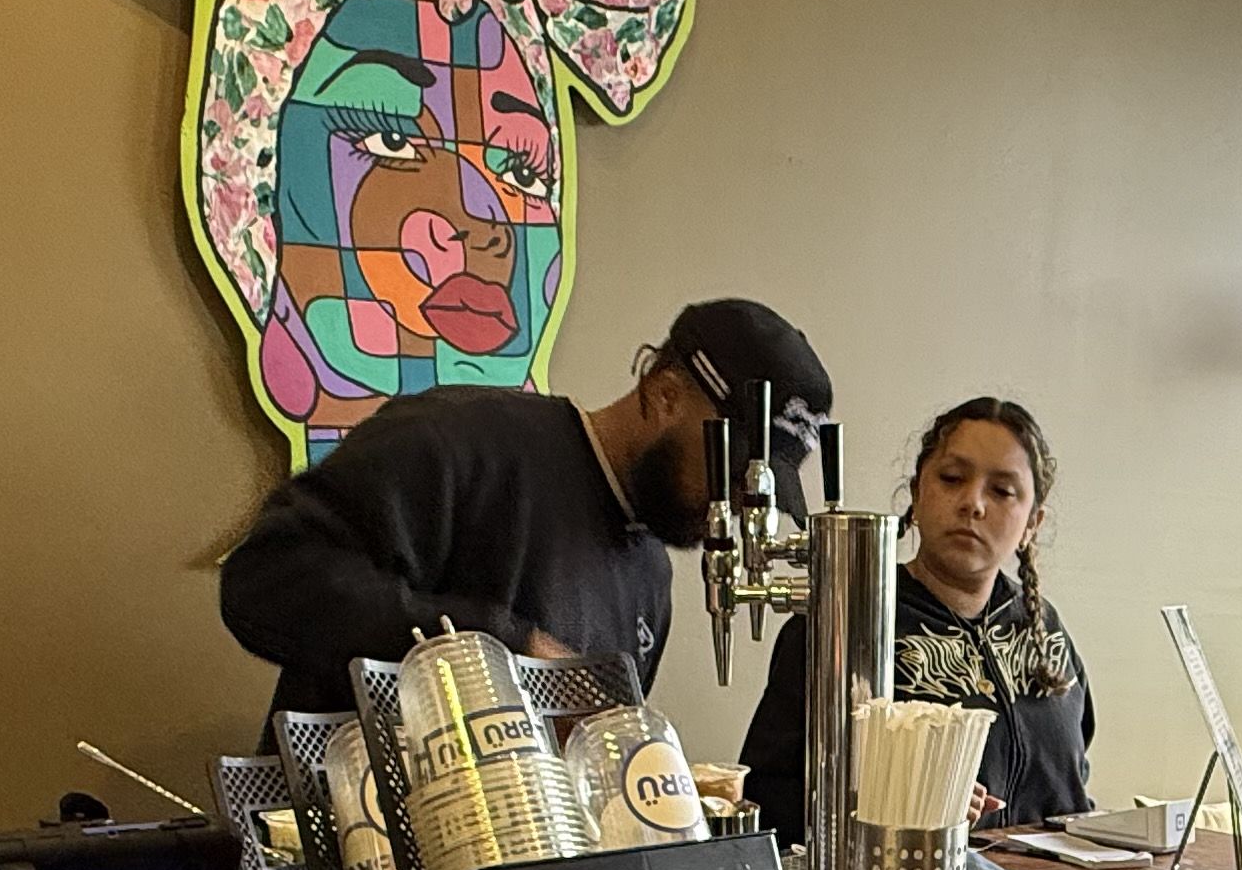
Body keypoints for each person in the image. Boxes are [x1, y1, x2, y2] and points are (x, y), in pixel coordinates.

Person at [217, 297, 833, 712]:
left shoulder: (650, 576)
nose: (738, 501)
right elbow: (263, 581)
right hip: (353, 869)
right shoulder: (459, 440)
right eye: (733, 467)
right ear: (666, 395)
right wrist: (496, 647)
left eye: (763, 488)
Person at [742, 397, 1095, 841]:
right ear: (916, 493)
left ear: (1032, 523)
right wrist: (906, 801)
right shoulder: (846, 619)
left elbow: (1075, 784)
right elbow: (768, 799)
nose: (973, 503)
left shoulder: (1044, 629)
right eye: (952, 479)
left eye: (1002, 491)